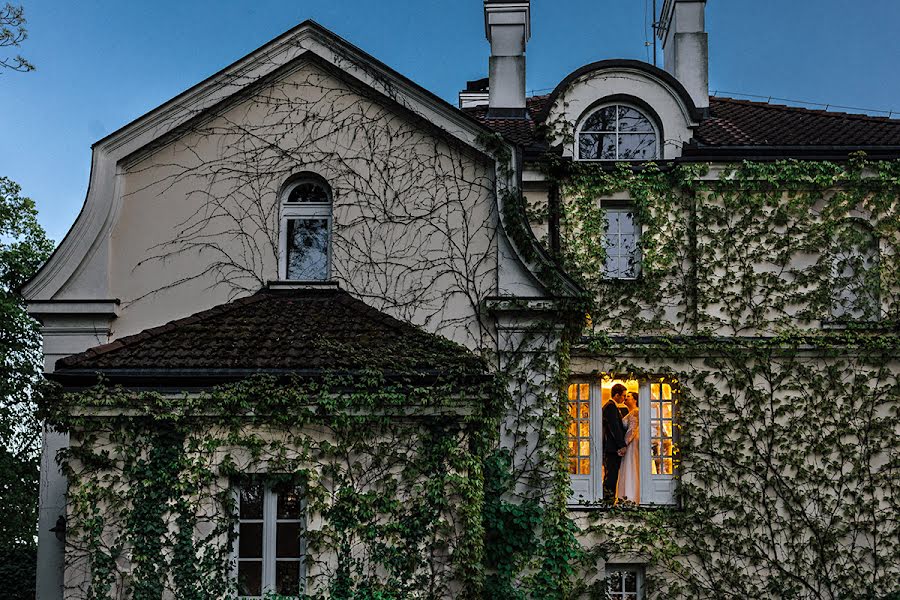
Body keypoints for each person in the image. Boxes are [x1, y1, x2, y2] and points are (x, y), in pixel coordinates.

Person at [602, 383, 628, 500]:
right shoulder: (610, 406)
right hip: (612, 448)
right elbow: (614, 427)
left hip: (611, 447)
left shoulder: (612, 406)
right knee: (611, 476)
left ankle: (609, 499)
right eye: (623, 396)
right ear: (617, 395)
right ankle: (608, 500)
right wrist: (621, 445)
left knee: (611, 475)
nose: (624, 398)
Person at [617, 391, 640, 502]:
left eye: (629, 396)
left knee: (631, 465)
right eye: (625, 396)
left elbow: (632, 430)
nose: (626, 398)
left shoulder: (635, 412)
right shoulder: (630, 412)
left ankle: (631, 495)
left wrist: (624, 444)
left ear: (635, 400)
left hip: (632, 442)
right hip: (632, 441)